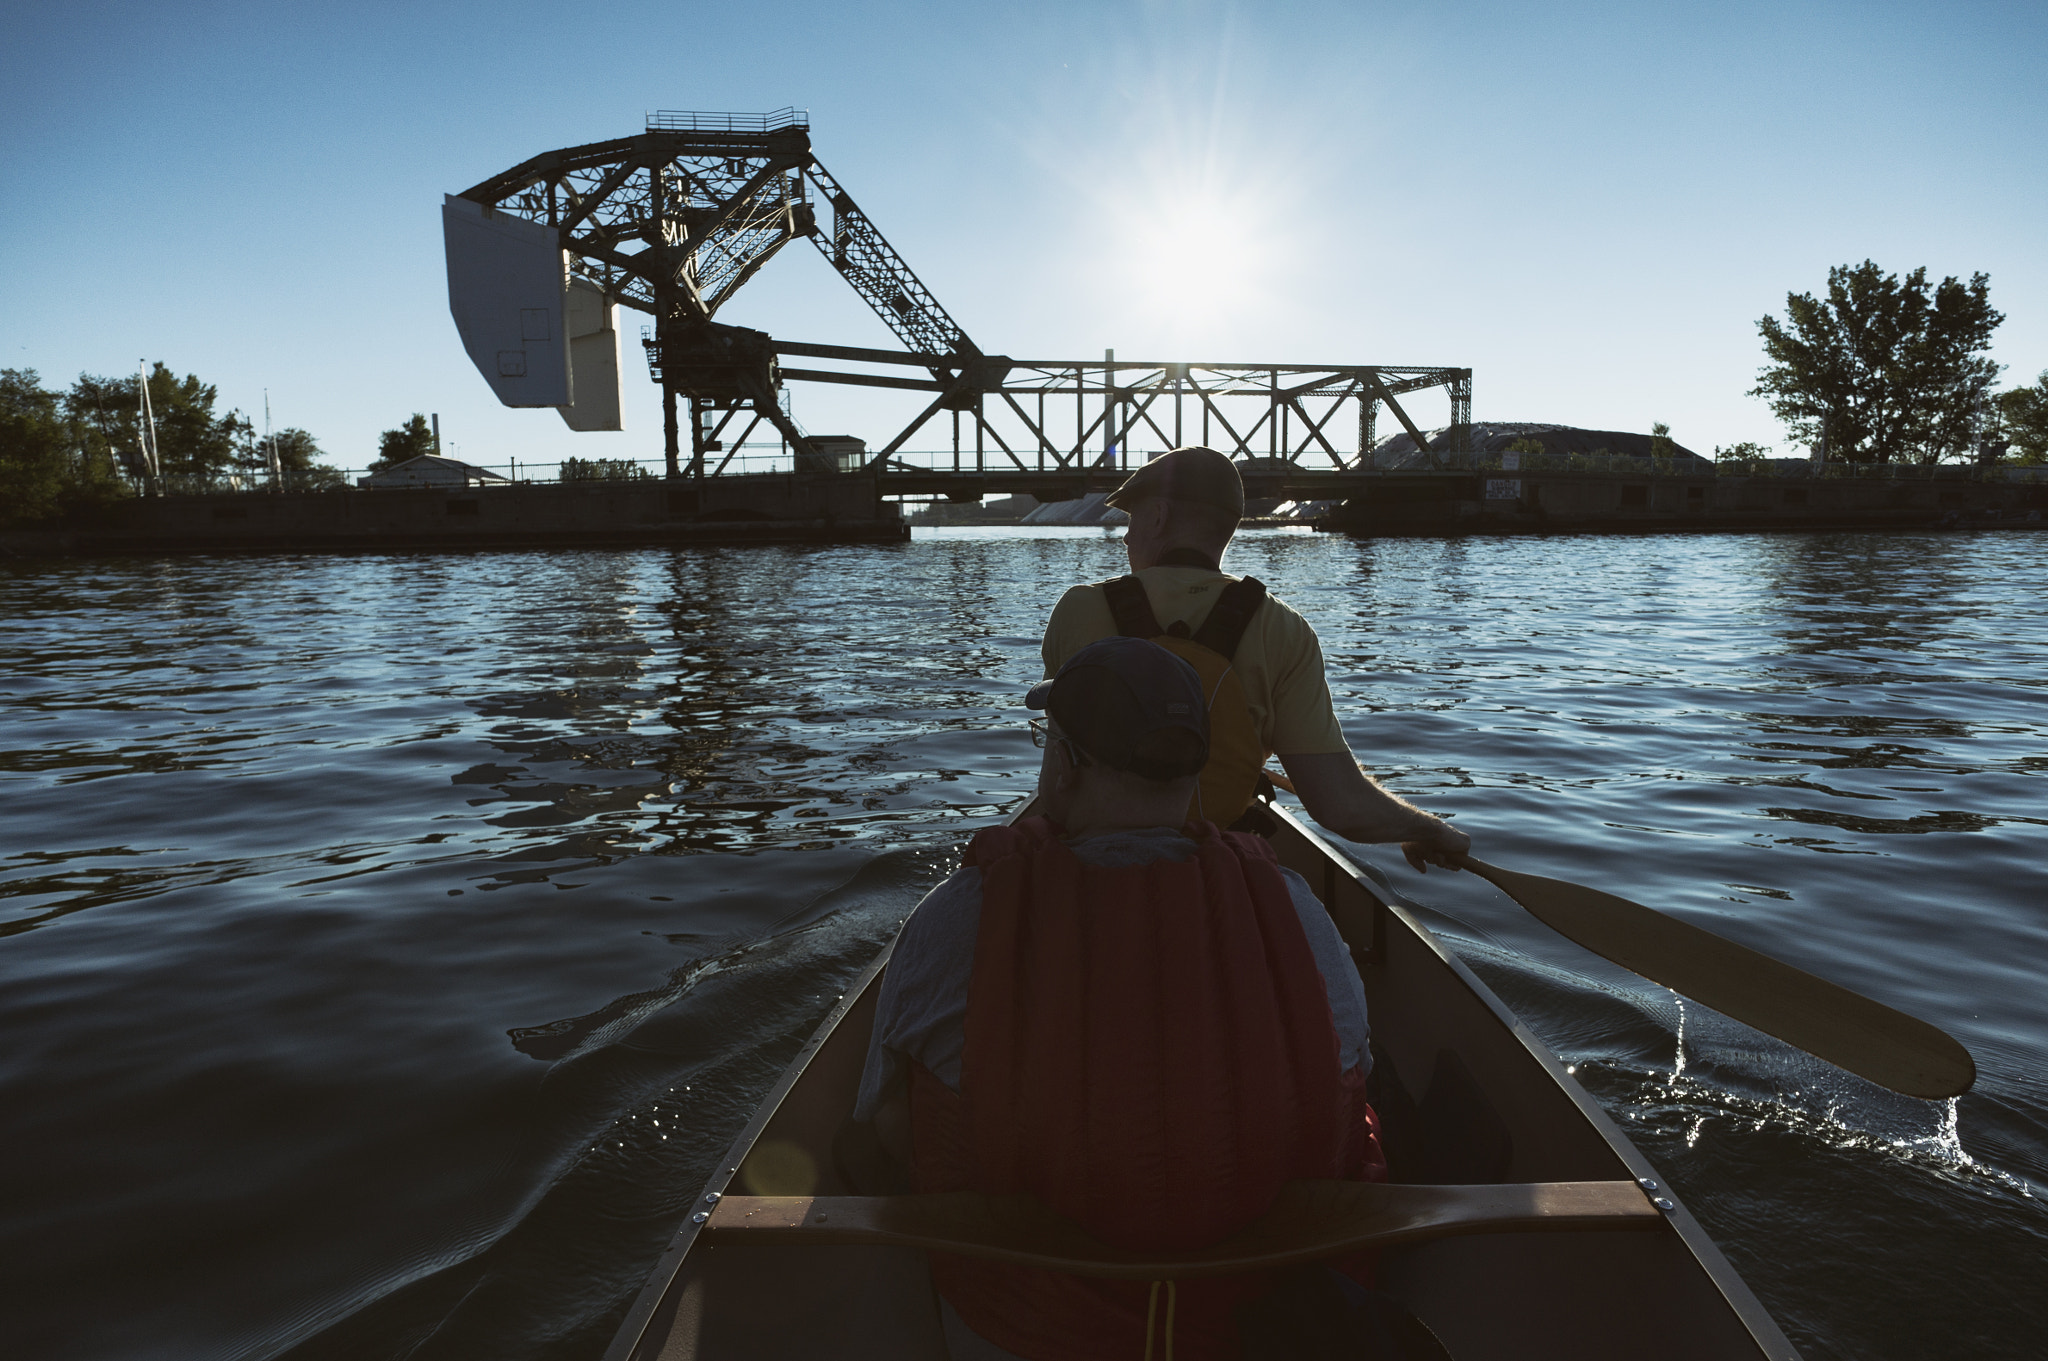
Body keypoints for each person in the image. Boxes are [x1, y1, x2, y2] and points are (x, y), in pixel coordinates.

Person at [853, 637, 1387, 1361]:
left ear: (1065, 765)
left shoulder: (958, 917)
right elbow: (1351, 1080)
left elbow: (885, 1125)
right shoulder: (1297, 913)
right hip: (1258, 1328)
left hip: (1021, 1329)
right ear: (1194, 770)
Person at [1040, 446, 1470, 870]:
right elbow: (1341, 806)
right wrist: (1429, 828)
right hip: (1215, 868)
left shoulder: (1079, 609)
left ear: (1158, 516)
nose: (1128, 537)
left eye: (1133, 521)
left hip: (1088, 864)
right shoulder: (1282, 628)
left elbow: (1056, 788)